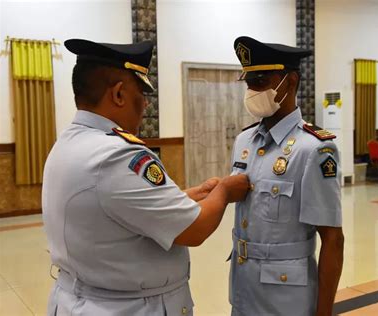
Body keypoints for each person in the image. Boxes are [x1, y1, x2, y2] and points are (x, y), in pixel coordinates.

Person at [42, 39, 249, 316]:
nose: (144, 106)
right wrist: (223, 191)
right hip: (126, 306)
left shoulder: (69, 143)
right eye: (141, 93)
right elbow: (194, 229)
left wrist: (198, 192)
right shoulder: (118, 156)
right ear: (118, 94)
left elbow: (124, 208)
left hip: (80, 297)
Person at [229, 36, 344, 316]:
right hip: (243, 290)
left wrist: (323, 312)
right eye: (249, 82)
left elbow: (332, 240)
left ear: (290, 82)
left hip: (285, 299)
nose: (252, 90)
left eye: (260, 81)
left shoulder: (315, 148)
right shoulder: (244, 141)